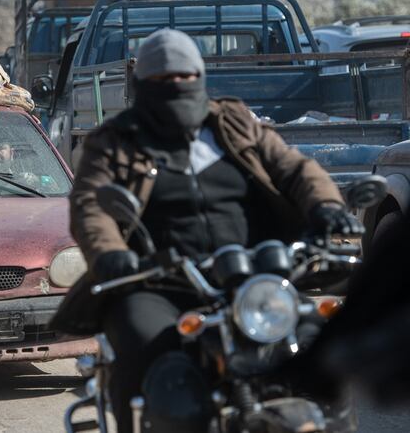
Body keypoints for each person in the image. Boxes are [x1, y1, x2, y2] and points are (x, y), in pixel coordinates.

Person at [60, 29, 362, 432]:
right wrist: (110, 254)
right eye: (164, 80)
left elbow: (295, 168)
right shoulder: (116, 141)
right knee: (145, 347)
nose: (177, 85)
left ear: (200, 77)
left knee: (315, 340)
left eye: (186, 76)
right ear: (143, 84)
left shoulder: (234, 123)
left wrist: (326, 207)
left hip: (254, 272)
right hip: (159, 281)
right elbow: (92, 205)